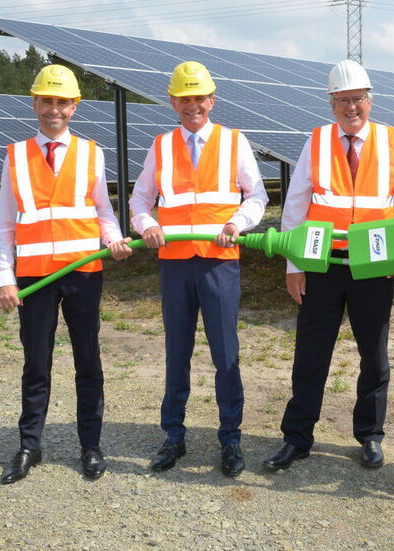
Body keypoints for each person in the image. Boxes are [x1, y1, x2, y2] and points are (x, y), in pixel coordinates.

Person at [264, 59, 394, 471]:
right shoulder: (315, 141)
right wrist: (292, 266)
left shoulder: (393, 141)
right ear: (331, 103)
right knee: (310, 354)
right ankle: (297, 437)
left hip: (374, 264)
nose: (350, 107)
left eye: (357, 99)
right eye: (342, 101)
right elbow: (296, 205)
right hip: (321, 265)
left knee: (374, 355)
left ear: (369, 101)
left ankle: (369, 435)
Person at [0, 64, 133, 484]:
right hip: (34, 278)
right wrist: (4, 277)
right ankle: (29, 447)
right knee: (36, 363)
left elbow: (103, 212)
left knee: (88, 361)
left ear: (74, 107)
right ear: (35, 104)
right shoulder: (15, 156)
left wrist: (114, 239)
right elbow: (4, 225)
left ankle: (90, 446)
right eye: (47, 101)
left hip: (83, 274)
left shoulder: (92, 152)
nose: (54, 110)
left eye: (62, 102)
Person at [129, 61, 268, 478]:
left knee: (226, 354)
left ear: (212, 100)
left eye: (200, 98)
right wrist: (149, 225)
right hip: (174, 266)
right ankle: (173, 436)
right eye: (185, 98)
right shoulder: (161, 146)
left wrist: (236, 223)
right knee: (177, 353)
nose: (193, 106)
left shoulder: (234, 142)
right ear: (173, 102)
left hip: (219, 264)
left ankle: (230, 439)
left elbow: (257, 197)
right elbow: (139, 201)